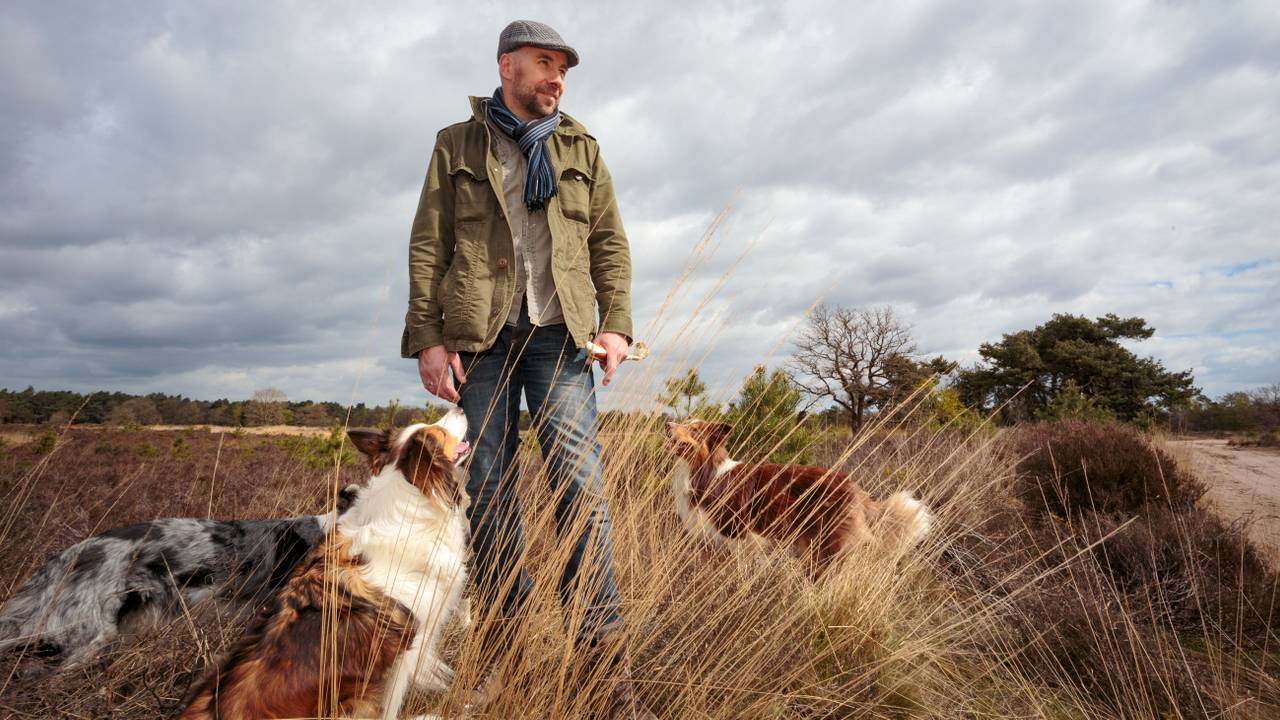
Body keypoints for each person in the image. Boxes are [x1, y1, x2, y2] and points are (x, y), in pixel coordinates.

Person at [400, 20, 655, 719]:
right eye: (545, 63)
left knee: (580, 485)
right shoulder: (456, 144)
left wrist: (616, 324)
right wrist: (428, 336)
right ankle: (506, 659)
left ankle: (606, 675)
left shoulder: (581, 147)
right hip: (478, 338)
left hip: (560, 337)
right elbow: (430, 242)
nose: (558, 79)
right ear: (507, 64)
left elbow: (610, 243)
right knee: (487, 487)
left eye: (564, 70)